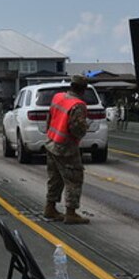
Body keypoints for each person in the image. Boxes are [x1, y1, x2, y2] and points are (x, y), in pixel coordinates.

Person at [43, 75, 91, 224]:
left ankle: (50, 208)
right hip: (66, 146)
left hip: (51, 141)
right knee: (74, 178)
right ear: (83, 90)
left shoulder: (58, 97)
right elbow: (76, 128)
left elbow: (49, 118)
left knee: (55, 178)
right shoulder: (78, 105)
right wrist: (85, 127)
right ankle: (71, 212)